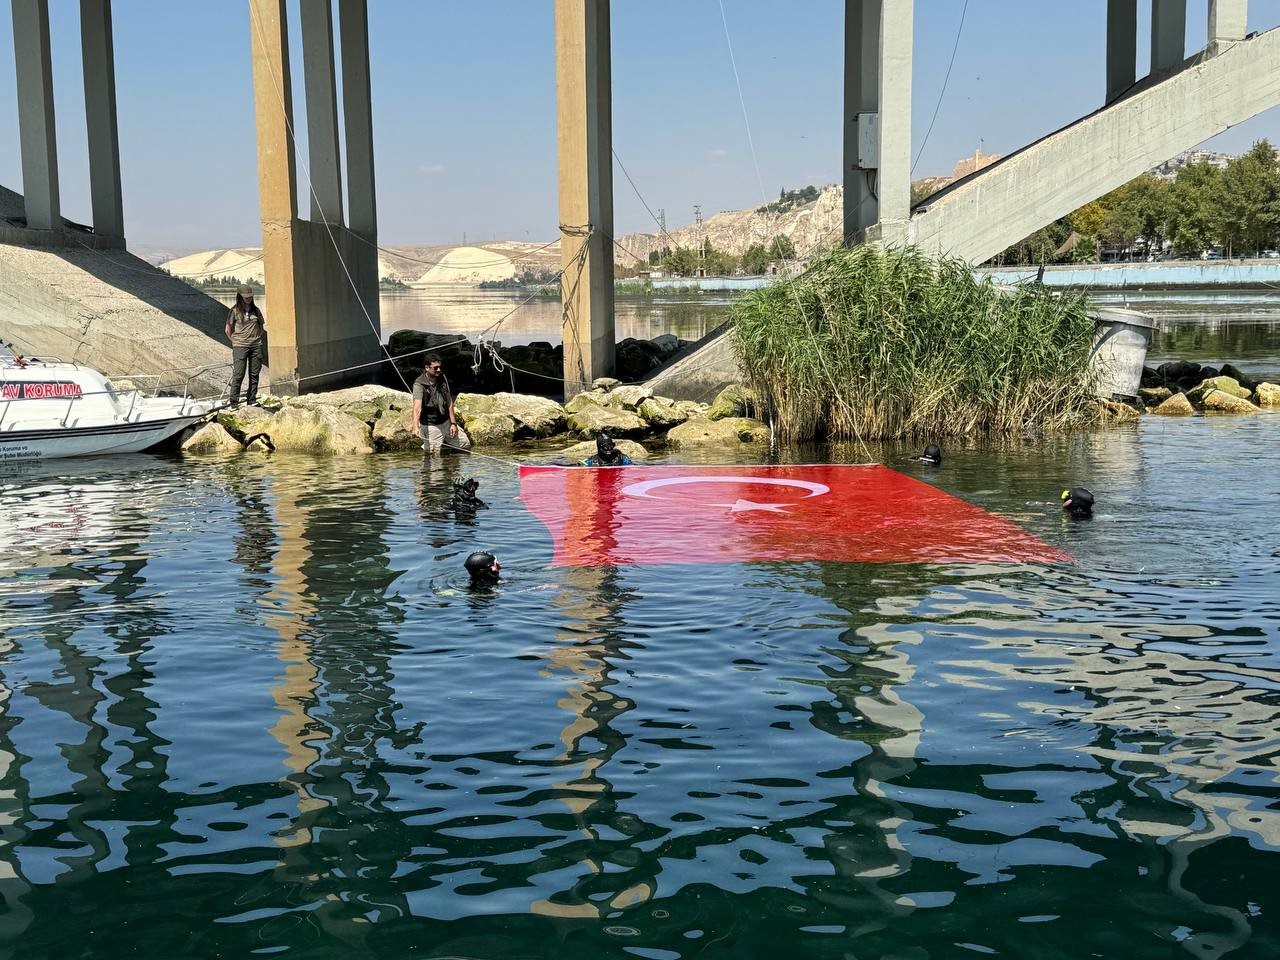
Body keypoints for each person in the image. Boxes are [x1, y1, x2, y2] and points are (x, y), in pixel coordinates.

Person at [412, 354, 471, 454]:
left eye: (440, 367)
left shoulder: (442, 377)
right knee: (433, 455)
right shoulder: (419, 384)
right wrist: (415, 426)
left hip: (446, 422)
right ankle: (428, 444)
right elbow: (417, 408)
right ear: (427, 368)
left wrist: (453, 423)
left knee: (465, 445)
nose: (439, 370)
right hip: (431, 425)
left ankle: (446, 451)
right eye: (435, 368)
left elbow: (449, 402)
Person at [225, 284, 266, 407]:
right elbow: (228, 329)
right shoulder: (234, 311)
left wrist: (256, 339)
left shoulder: (256, 310)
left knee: (254, 374)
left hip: (255, 346)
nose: (248, 299)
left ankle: (251, 400)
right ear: (240, 297)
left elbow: (261, 327)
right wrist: (235, 341)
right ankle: (234, 402)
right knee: (239, 374)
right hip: (240, 346)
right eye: (246, 297)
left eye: (250, 297)